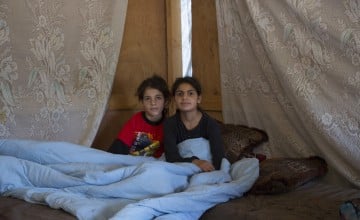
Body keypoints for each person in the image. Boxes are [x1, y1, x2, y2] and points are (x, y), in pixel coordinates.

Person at [163, 76, 225, 171]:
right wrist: (195, 162)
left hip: (207, 169)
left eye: (190, 93)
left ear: (199, 98)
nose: (184, 97)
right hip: (180, 168)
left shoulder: (211, 124)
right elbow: (171, 158)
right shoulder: (169, 124)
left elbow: (219, 159)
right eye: (180, 94)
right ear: (175, 99)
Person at [108, 74, 171, 158]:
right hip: (132, 163)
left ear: (165, 102)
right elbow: (118, 148)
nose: (153, 103)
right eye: (148, 98)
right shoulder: (135, 121)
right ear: (142, 103)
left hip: (155, 166)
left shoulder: (169, 125)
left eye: (158, 98)